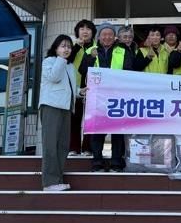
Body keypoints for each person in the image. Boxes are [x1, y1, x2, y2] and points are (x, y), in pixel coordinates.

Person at [79, 23, 134, 172]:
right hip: (97, 97)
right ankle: (97, 162)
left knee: (117, 131)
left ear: (114, 36)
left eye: (110, 34)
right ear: (99, 36)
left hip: (118, 97)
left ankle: (116, 162)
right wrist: (91, 58)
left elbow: (129, 71)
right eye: (104, 34)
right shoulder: (91, 50)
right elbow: (82, 70)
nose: (107, 37)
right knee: (98, 130)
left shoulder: (122, 50)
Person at [39, 34, 79, 191]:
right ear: (55, 48)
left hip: (66, 108)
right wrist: (61, 59)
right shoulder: (49, 61)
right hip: (51, 106)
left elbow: (68, 88)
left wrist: (80, 92)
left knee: (62, 145)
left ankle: (57, 179)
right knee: (51, 145)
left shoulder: (70, 66)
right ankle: (49, 182)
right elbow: (54, 78)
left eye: (69, 46)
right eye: (63, 46)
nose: (66, 49)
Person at [67, 19, 96, 155]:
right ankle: (74, 148)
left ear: (93, 32)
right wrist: (76, 47)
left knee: (90, 119)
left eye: (88, 29)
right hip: (75, 86)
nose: (85, 31)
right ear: (77, 31)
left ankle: (88, 148)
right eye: (82, 28)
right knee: (75, 118)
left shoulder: (96, 47)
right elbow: (67, 60)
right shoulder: (71, 46)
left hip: (93, 87)